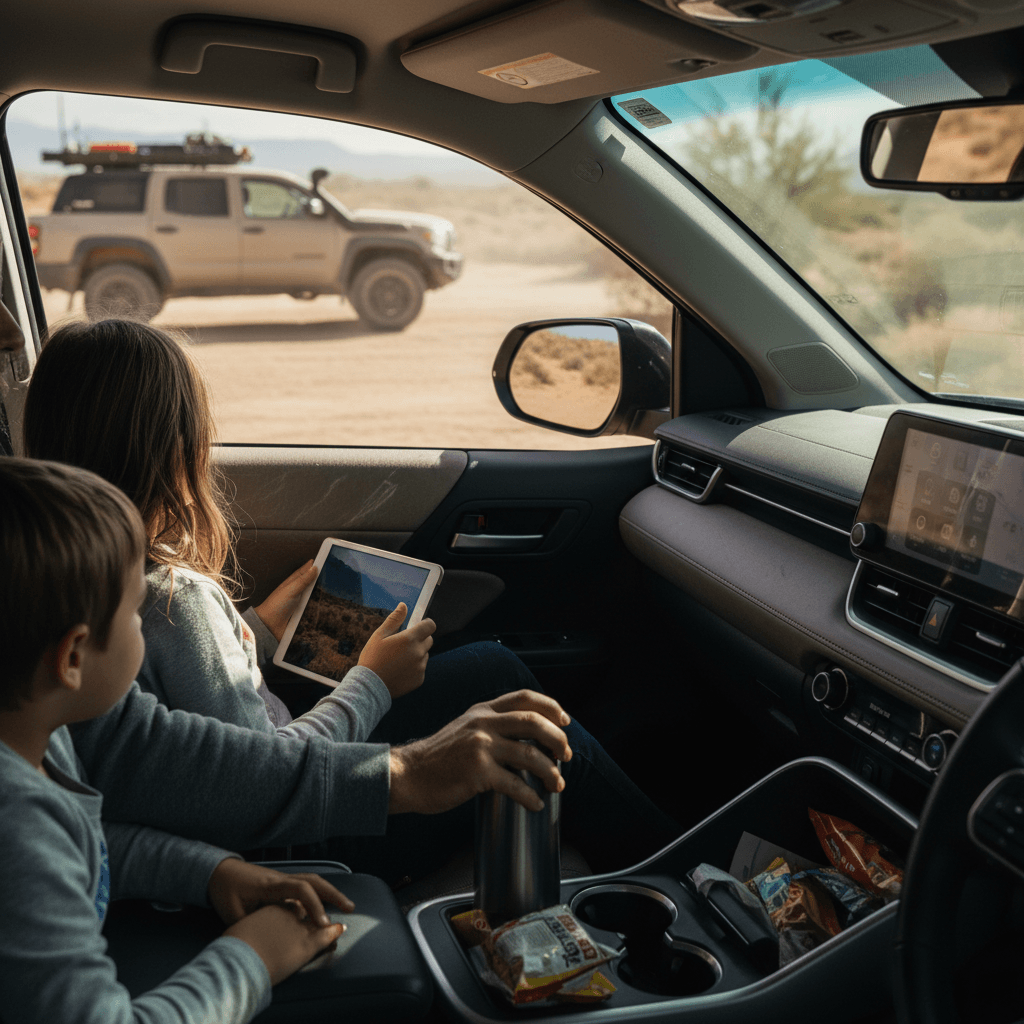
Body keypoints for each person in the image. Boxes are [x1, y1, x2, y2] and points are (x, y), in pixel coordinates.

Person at [23, 317, 680, 877]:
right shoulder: (169, 598)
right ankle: (682, 871)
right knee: (503, 685)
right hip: (295, 840)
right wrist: (372, 683)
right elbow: (262, 780)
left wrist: (261, 628)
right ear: (176, 450)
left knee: (490, 673)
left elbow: (196, 715)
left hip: (270, 785)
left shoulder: (64, 582)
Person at [0, 457, 354, 1023]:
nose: (145, 623)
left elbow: (86, 846)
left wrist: (208, 872)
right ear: (72, 657)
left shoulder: (42, 737)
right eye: (135, 613)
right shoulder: (15, 823)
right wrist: (254, 958)